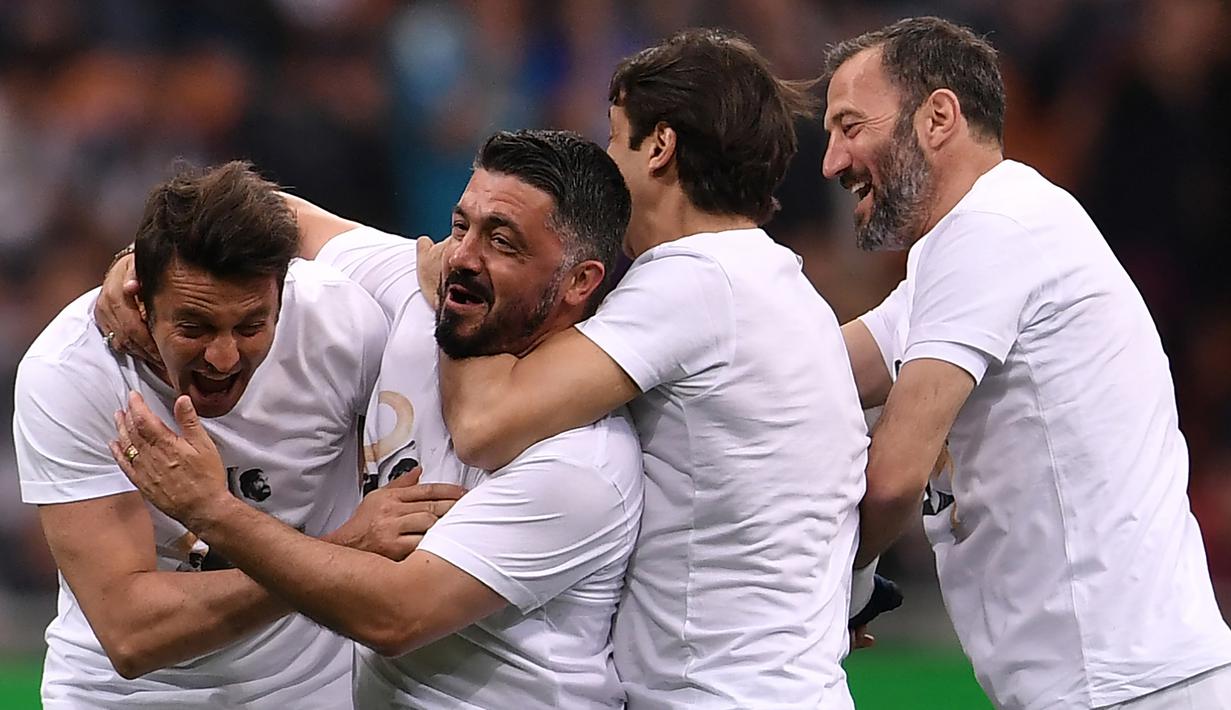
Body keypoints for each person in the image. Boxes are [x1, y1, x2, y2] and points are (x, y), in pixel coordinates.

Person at [107, 130, 645, 708]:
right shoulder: (421, 293)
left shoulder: (584, 462)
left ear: (581, 281)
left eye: (503, 242)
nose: (463, 255)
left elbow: (396, 617)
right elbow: (274, 216)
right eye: (461, 225)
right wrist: (141, 265)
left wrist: (211, 509)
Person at [422, 29, 869, 708]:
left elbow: (485, 425)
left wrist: (453, 285)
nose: (606, 160)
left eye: (613, 136)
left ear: (658, 146)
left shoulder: (695, 283)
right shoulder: (785, 290)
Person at [822, 16, 1231, 710]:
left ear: (938, 117)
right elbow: (812, 372)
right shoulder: (963, 251)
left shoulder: (994, 229)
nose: (831, 160)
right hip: (1114, 683)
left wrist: (825, 588)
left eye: (850, 125)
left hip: (1122, 687)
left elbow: (892, 477)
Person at [11, 161, 451, 708]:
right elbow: (130, 633)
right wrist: (342, 551)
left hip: (313, 692)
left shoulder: (344, 327)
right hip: (124, 698)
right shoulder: (73, 373)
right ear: (140, 298)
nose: (223, 357)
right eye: (193, 327)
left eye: (251, 326)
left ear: (282, 294)